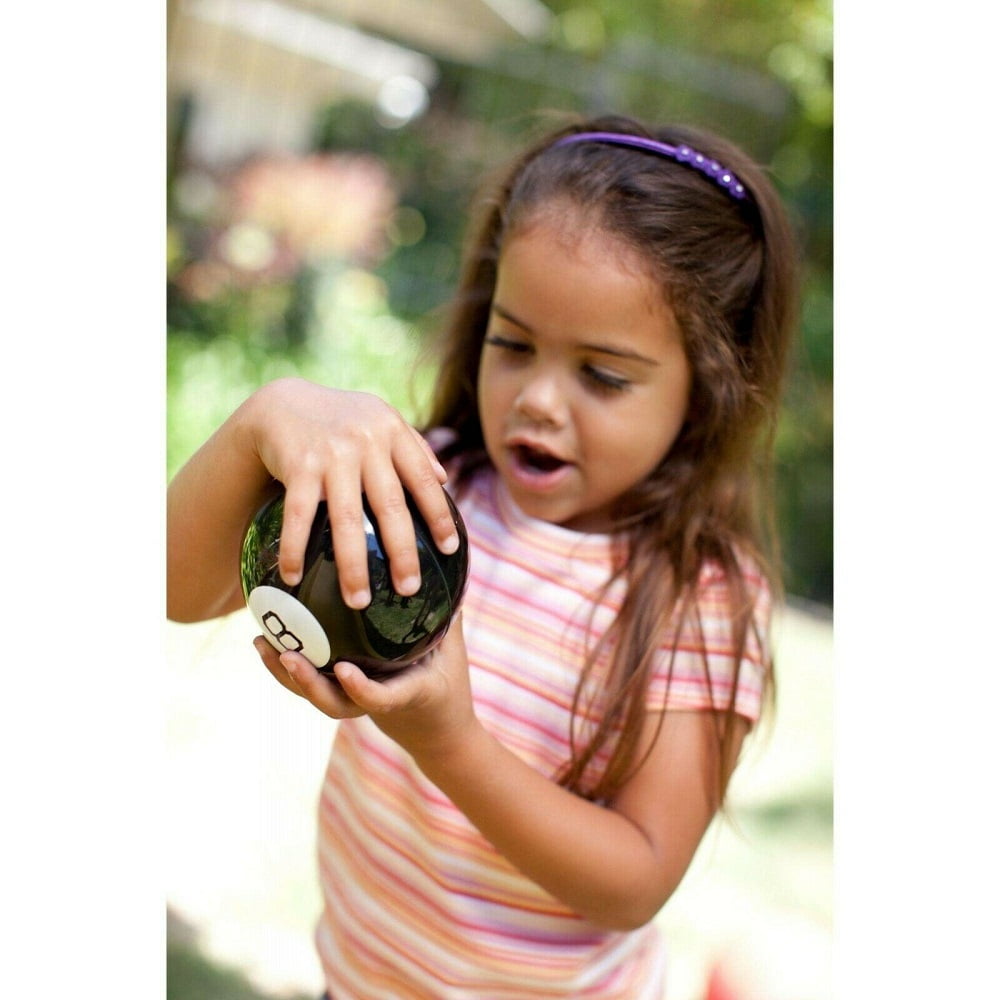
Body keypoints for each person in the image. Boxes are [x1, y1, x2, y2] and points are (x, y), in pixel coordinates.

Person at [167, 112, 799, 999]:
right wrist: (261, 421)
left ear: (708, 388)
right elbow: (175, 588)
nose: (539, 399)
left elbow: (636, 878)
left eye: (603, 375)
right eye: (513, 344)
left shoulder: (701, 596)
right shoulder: (425, 487)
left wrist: (448, 741)